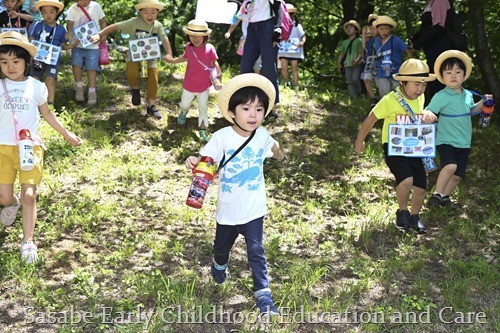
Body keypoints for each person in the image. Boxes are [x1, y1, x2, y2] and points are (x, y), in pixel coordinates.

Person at [184, 73, 284, 316]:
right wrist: (194, 160)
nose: (253, 114)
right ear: (231, 113)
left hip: (253, 209)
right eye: (246, 108)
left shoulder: (262, 136)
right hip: (228, 209)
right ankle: (220, 263)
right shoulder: (222, 138)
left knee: (256, 252)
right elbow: (206, 160)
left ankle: (264, 297)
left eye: (259, 109)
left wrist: (279, 153)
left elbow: (274, 148)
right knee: (221, 247)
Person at [0, 31, 82, 264]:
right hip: (2, 148)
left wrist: (67, 135)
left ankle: (27, 242)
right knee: (4, 197)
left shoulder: (36, 87)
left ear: (26, 62)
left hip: (29, 148)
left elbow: (47, 114)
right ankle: (12, 205)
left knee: (29, 195)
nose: (10, 66)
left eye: (16, 61)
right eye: (4, 62)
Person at [355, 59, 438, 233]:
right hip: (394, 147)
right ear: (403, 82)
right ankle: (402, 212)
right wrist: (360, 140)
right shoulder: (390, 100)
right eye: (416, 84)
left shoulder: (421, 97)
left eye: (423, 85)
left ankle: (415, 217)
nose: (420, 89)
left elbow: (419, 115)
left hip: (416, 148)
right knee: (406, 180)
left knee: (421, 187)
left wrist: (427, 114)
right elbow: (371, 118)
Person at [423, 50, 492, 208]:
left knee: (458, 175)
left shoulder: (468, 94)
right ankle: (436, 194)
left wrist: (483, 104)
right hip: (446, 139)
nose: (453, 76)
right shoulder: (441, 95)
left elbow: (472, 111)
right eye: (448, 72)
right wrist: (427, 113)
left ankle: (444, 197)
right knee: (450, 165)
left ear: (464, 74)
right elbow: (430, 110)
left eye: (457, 72)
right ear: (442, 76)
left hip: (464, 141)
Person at [90, 0, 173, 120]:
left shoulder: (158, 26)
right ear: (140, 12)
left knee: (153, 78)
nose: (149, 16)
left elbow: (164, 39)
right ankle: (135, 89)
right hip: (134, 55)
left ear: (158, 13)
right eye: (146, 12)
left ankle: (152, 105)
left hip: (151, 57)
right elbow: (115, 26)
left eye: (153, 12)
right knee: (131, 72)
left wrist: (169, 53)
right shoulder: (134, 22)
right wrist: (99, 34)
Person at [165, 19, 221, 142]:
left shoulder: (210, 48)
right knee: (185, 104)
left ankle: (202, 128)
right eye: (192, 36)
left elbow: (214, 62)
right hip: (189, 84)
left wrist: (218, 74)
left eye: (199, 36)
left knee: (203, 107)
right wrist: (173, 61)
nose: (195, 39)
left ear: (205, 36)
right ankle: (183, 113)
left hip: (203, 85)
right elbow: (184, 57)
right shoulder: (189, 48)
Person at [239, 0, 281, 119]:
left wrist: (278, 28)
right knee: (245, 66)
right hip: (252, 28)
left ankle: (272, 109)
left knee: (268, 68)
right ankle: (246, 102)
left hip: (267, 25)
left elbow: (278, 6)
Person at [28, 0, 73, 107]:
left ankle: (50, 104)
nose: (48, 15)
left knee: (50, 79)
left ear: (57, 12)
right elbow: (32, 37)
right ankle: (31, 101)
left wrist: (72, 45)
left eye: (51, 12)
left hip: (53, 60)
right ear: (41, 13)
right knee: (34, 78)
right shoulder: (38, 25)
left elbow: (63, 45)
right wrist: (30, 45)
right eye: (45, 12)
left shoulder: (61, 29)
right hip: (38, 59)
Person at [409, 0, 453, 103]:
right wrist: (415, 38)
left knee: (440, 80)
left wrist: (418, 43)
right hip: (431, 50)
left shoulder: (440, 1)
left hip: (440, 49)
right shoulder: (431, 4)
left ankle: (444, 112)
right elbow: (427, 27)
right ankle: (435, 111)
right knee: (434, 81)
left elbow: (438, 27)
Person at [65, 0, 107, 106]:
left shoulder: (96, 6)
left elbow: (102, 21)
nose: (82, 1)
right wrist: (69, 32)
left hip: (93, 44)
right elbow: (69, 23)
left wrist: (104, 34)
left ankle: (92, 91)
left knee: (92, 68)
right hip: (77, 44)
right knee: (76, 65)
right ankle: (79, 87)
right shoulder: (72, 9)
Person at [372, 15, 412, 98]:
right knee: (384, 92)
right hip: (382, 70)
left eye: (386, 29)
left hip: (396, 71)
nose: (384, 31)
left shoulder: (396, 40)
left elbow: (407, 51)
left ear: (390, 29)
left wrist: (411, 65)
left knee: (398, 93)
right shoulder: (376, 41)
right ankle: (385, 109)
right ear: (378, 30)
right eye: (381, 29)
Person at [278, 3, 305, 89]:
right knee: (283, 68)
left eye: (290, 14)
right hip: (283, 50)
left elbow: (303, 36)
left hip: (294, 51)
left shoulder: (297, 26)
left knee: (294, 68)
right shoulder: (280, 26)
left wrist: (302, 42)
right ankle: (287, 83)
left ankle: (296, 85)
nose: (288, 16)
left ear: (293, 15)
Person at [337, 19, 363, 98]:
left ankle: (359, 92)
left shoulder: (359, 40)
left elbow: (361, 52)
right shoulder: (345, 42)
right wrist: (339, 64)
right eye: (347, 28)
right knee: (349, 81)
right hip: (347, 64)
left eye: (351, 27)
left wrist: (358, 60)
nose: (348, 29)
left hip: (357, 63)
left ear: (356, 30)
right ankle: (353, 97)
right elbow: (342, 54)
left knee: (355, 79)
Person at [361, 13, 379, 107]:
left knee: (378, 80)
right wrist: (364, 35)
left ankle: (379, 98)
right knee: (366, 78)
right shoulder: (367, 33)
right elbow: (364, 46)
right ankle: (373, 98)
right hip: (369, 58)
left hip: (379, 58)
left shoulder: (380, 35)